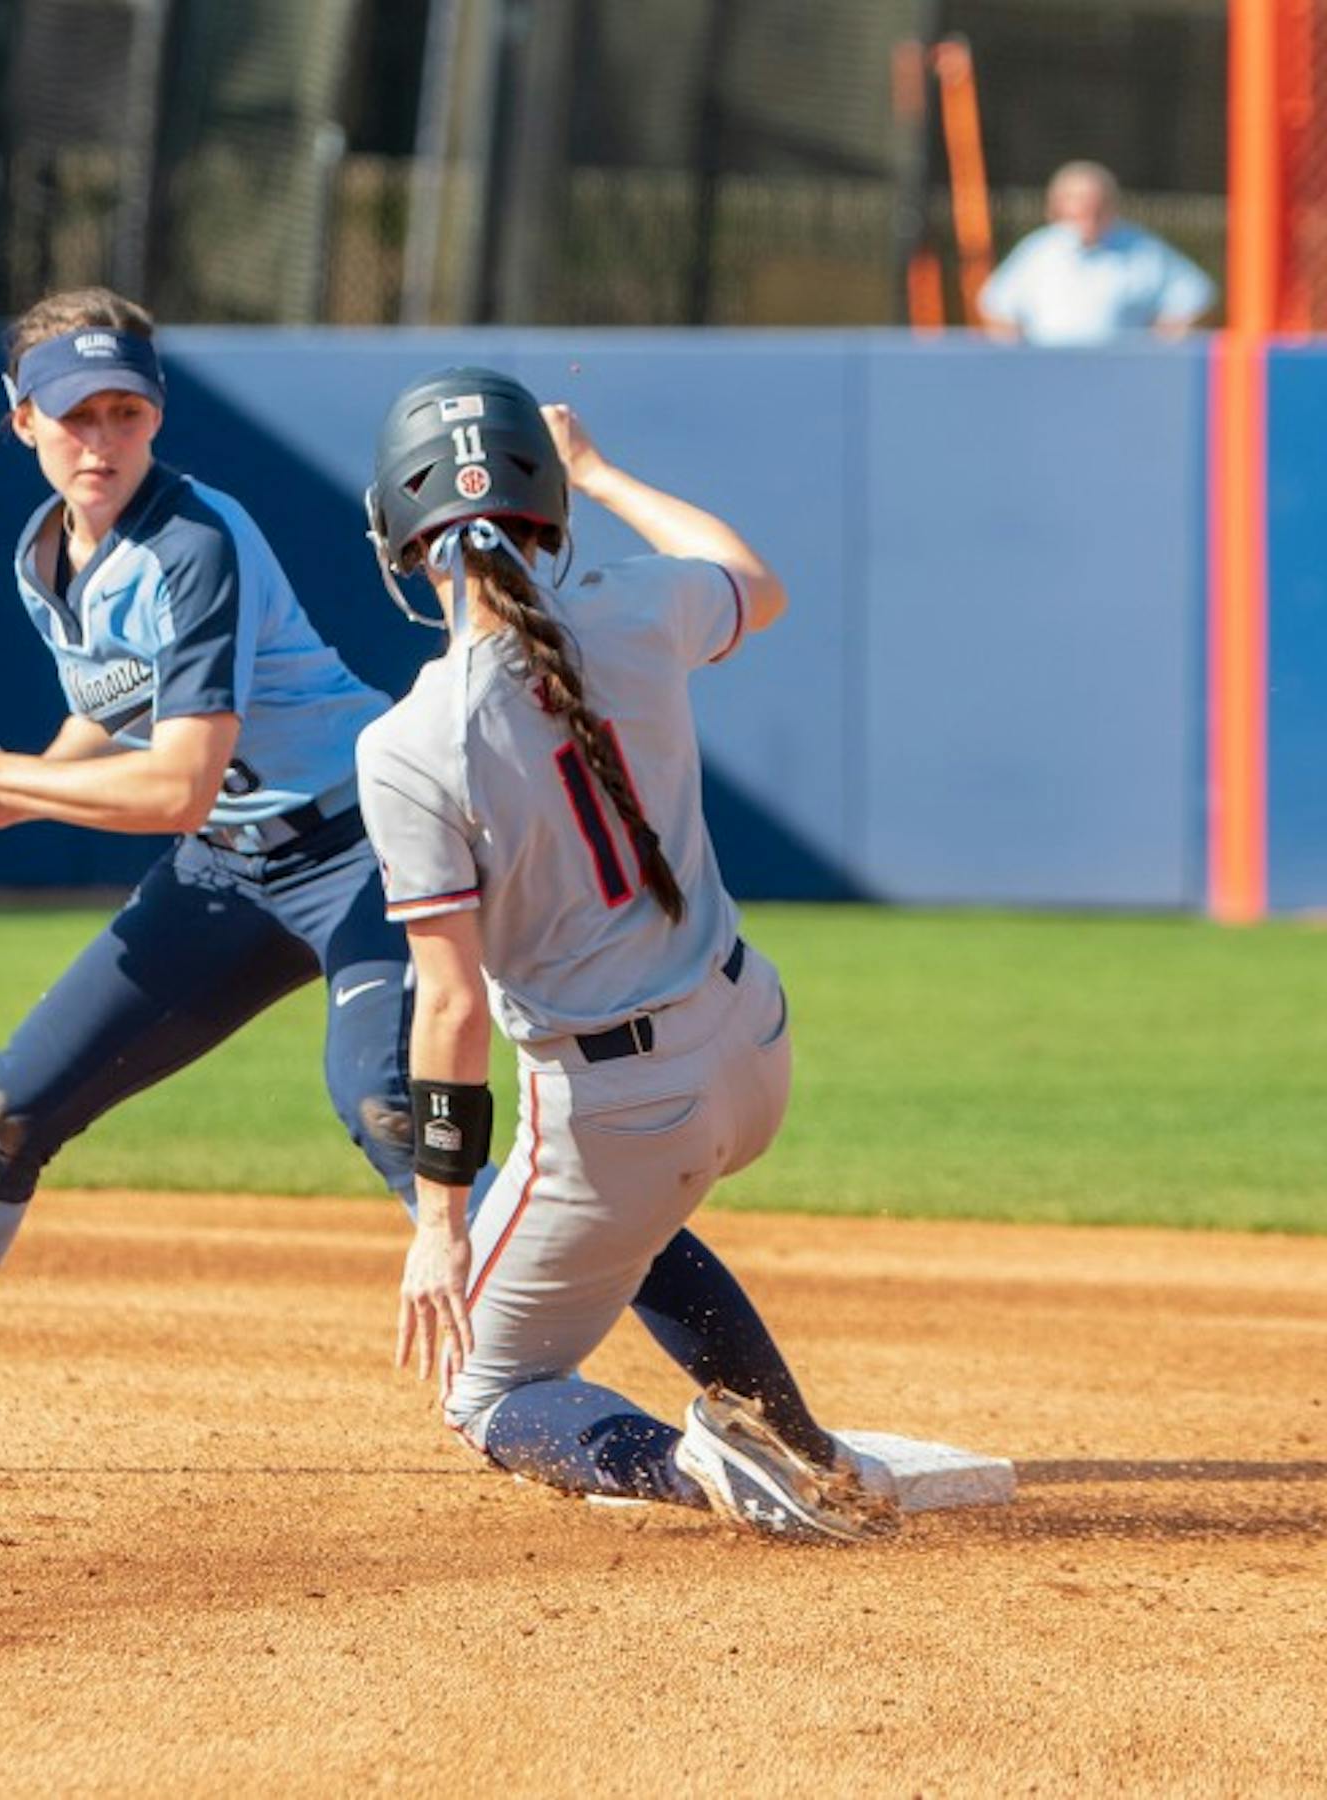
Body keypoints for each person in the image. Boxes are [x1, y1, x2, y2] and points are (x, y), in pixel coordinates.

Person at [0, 290, 845, 1478]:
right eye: (74, 415)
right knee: (9, 1109)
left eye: (124, 412)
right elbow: (116, 720)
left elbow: (177, 783)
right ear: (20, 417)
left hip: (363, 850)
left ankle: (775, 1426)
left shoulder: (192, 544)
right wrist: (7, 779)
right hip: (228, 871)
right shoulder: (47, 557)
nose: (100, 440)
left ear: (156, 414)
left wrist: (6, 782)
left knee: (391, 1112)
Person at [358, 367, 891, 1541]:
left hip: (620, 1106)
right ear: (546, 510)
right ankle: (806, 1451)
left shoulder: (406, 742)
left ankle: (706, 1469)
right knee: (628, 1231)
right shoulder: (637, 606)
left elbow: (447, 1009)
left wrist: (439, 1223)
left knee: (488, 1392)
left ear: (398, 536)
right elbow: (755, 582)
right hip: (754, 1043)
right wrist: (601, 472)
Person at [978, 160, 1215, 347]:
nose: (1087, 212)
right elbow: (998, 308)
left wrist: (1159, 347)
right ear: (1056, 208)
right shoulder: (1038, 250)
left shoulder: (1143, 251)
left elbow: (1193, 297)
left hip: (1122, 377)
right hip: (1048, 374)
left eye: (1096, 204)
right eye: (1076, 202)